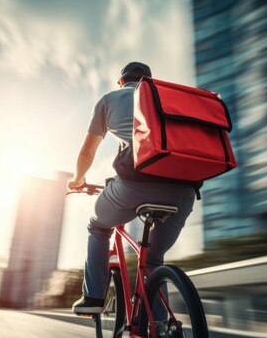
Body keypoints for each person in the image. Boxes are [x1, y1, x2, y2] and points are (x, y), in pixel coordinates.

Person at [69, 62, 196, 314]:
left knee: (97, 225)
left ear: (121, 82)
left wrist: (77, 180)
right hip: (185, 190)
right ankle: (160, 326)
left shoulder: (110, 100)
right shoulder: (167, 98)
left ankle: (93, 298)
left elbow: (87, 151)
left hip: (137, 183)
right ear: (149, 81)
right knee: (154, 261)